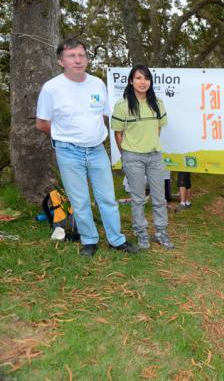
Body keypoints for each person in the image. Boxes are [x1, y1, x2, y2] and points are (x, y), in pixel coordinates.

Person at [36, 38, 138, 257]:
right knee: (80, 201)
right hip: (68, 152)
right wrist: (66, 137)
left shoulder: (97, 84)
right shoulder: (51, 88)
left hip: (97, 150)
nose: (78, 60)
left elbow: (104, 116)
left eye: (82, 55)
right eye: (71, 56)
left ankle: (116, 240)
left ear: (87, 59)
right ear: (61, 61)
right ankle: (89, 240)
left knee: (107, 198)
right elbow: (42, 123)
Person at [111, 65, 175, 250]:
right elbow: (118, 133)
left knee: (159, 198)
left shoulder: (157, 103)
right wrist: (126, 154)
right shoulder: (122, 105)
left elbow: (158, 127)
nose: (143, 82)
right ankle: (142, 234)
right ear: (131, 81)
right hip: (133, 158)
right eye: (138, 78)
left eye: (146, 78)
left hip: (154, 156)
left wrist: (150, 145)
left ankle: (161, 233)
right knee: (138, 199)